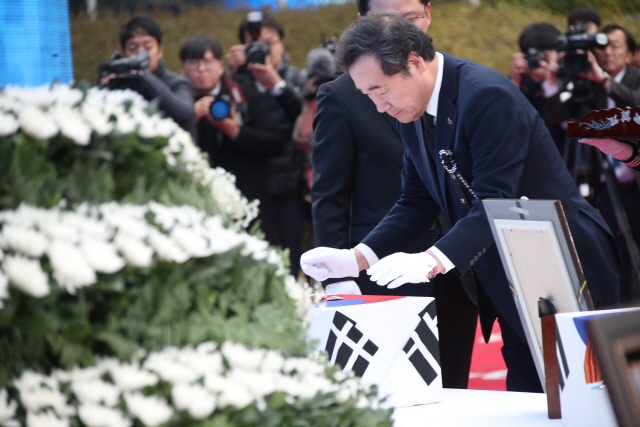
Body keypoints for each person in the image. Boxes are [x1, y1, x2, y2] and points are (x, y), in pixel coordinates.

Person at [301, 13, 621, 392]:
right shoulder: (412, 107)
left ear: (414, 63)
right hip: (508, 274)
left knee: (588, 395)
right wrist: (358, 257)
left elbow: (496, 199)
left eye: (380, 90)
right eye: (367, 96)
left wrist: (432, 260)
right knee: (529, 394)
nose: (379, 107)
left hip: (563, 262)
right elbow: (415, 200)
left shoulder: (485, 94)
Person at [310, 0, 478, 390]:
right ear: (362, 24)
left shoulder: (457, 86)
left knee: (456, 389)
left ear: (428, 15)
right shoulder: (342, 95)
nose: (397, 30)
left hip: (456, 261)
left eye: (409, 19)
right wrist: (338, 275)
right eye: (385, 20)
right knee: (392, 391)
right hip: (383, 267)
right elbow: (329, 191)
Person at [180, 35, 291, 246]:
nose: (202, 69)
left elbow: (277, 141)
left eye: (208, 61)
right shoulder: (177, 101)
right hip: (196, 205)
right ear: (183, 69)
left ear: (220, 66)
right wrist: (189, 118)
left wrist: (236, 133)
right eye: (193, 62)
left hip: (249, 200)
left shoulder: (244, 94)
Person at [227, 13, 307, 277]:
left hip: (291, 188)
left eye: (269, 43)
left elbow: (307, 121)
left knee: (292, 263)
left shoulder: (297, 77)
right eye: (254, 46)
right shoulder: (237, 82)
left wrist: (278, 85)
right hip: (254, 187)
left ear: (282, 42)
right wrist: (234, 73)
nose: (262, 51)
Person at [103, 17, 196, 138]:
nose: (140, 53)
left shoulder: (178, 83)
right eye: (132, 49)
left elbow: (183, 113)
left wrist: (143, 75)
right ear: (124, 54)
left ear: (160, 51)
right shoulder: (117, 81)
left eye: (148, 47)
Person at [509, 23, 566, 153]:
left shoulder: (568, 79)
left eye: (545, 55)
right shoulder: (514, 82)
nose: (539, 60)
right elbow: (504, 123)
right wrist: (515, 83)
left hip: (564, 156)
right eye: (533, 55)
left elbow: (567, 123)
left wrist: (550, 82)